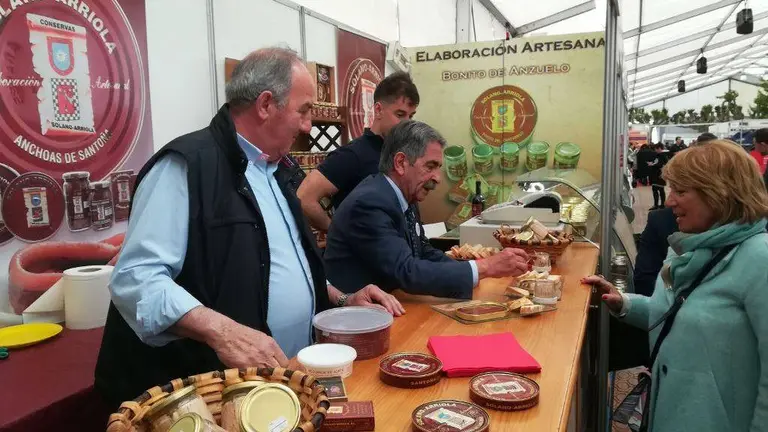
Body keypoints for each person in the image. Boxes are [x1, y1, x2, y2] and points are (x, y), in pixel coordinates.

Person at [94, 47, 405, 407]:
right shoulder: (185, 166)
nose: (307, 125)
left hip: (279, 384)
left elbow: (277, 265)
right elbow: (136, 279)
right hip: (205, 396)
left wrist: (342, 298)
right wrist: (223, 332)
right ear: (265, 105)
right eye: (302, 111)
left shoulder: (279, 170)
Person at [585, 140, 768, 431]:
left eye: (681, 191)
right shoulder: (685, 248)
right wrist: (624, 302)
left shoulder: (760, 258)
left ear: (720, 194)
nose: (669, 201)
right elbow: (675, 314)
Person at [323, 120, 530, 299]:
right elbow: (407, 271)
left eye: (438, 168)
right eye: (430, 166)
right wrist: (485, 268)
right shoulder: (369, 203)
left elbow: (423, 252)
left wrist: (472, 272)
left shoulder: (406, 196)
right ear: (401, 163)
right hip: (359, 322)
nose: (438, 178)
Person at [297, 72, 419, 232]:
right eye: (400, 114)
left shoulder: (402, 155)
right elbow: (304, 198)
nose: (406, 123)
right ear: (378, 109)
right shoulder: (353, 155)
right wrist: (337, 234)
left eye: (411, 116)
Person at [647, 143, 669, 210]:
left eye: (656, 149)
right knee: (656, 189)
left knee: (659, 190)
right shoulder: (659, 155)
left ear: (659, 148)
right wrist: (652, 164)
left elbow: (661, 165)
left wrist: (652, 164)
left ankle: (661, 205)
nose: (655, 150)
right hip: (656, 175)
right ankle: (658, 205)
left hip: (659, 175)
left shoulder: (662, 155)